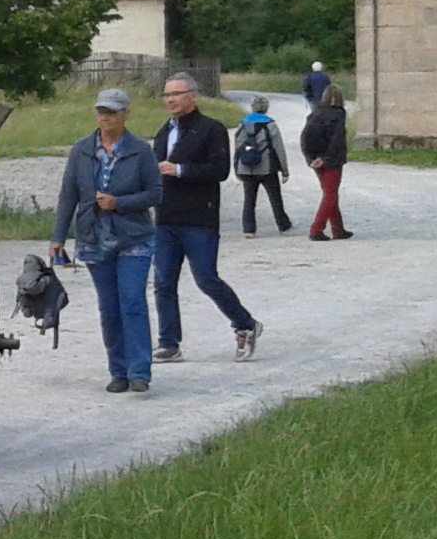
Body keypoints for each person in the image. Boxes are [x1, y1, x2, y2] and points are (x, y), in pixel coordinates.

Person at [50, 88, 162, 392]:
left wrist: (119, 202)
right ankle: (118, 371)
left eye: (111, 112)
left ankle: (140, 371)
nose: (104, 117)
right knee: (109, 307)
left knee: (132, 302)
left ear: (125, 114)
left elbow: (155, 194)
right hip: (93, 237)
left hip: (134, 238)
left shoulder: (140, 150)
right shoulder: (81, 150)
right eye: (101, 111)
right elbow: (68, 196)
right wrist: (58, 237)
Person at [150, 74, 263, 363]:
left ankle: (245, 324)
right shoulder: (165, 131)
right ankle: (169, 342)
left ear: (194, 96)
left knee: (206, 279)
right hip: (166, 218)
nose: (171, 100)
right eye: (167, 95)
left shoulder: (210, 129)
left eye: (177, 94)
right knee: (163, 283)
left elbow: (220, 170)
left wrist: (179, 170)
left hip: (199, 217)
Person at [232, 94, 292, 236]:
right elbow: (279, 148)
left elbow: (237, 148)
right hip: (267, 168)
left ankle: (249, 229)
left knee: (249, 200)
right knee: (275, 198)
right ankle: (283, 225)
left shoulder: (242, 125)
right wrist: (284, 170)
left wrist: (237, 168)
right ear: (266, 108)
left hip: (246, 168)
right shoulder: (270, 125)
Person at [302, 84, 352, 240]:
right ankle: (317, 229)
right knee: (330, 195)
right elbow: (337, 139)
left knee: (329, 194)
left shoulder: (314, 114)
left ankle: (338, 229)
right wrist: (326, 158)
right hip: (332, 159)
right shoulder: (339, 115)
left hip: (316, 159)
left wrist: (311, 158)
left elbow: (304, 137)